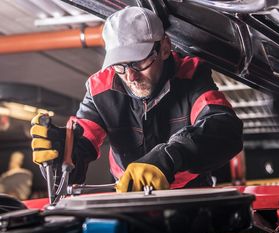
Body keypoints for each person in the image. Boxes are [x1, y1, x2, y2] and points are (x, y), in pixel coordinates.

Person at [30, 6, 243, 192]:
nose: (130, 76)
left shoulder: (191, 75)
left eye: (138, 62)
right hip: (127, 189)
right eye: (120, 65)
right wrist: (62, 157)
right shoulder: (100, 88)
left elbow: (223, 127)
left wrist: (169, 157)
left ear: (165, 48)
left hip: (188, 191)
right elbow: (82, 143)